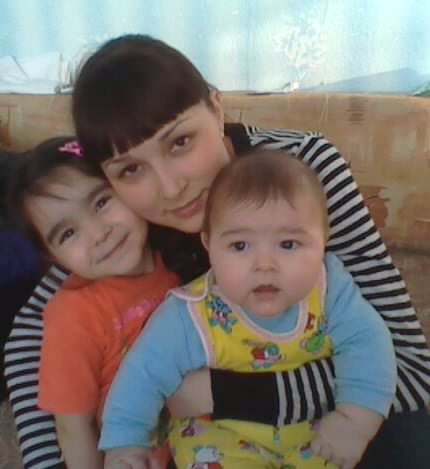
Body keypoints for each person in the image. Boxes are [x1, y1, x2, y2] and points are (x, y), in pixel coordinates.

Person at [4, 34, 430, 469]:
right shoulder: (125, 215)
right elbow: (28, 338)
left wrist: (225, 394)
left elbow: (412, 371)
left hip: (332, 424)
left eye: (180, 142)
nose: (171, 187)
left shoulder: (304, 167)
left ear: (216, 108)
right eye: (131, 169)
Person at [100, 150, 397, 469]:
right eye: (240, 246)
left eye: (288, 244)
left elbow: (368, 345)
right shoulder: (190, 314)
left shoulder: (329, 290)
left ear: (324, 239)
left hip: (314, 432)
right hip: (220, 436)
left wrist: (354, 420)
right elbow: (142, 374)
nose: (264, 265)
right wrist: (125, 443)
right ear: (208, 245)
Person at [6, 137, 179, 469]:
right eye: (68, 234)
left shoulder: (175, 261)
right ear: (53, 258)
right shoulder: (72, 316)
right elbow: (73, 429)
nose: (99, 234)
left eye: (101, 203)